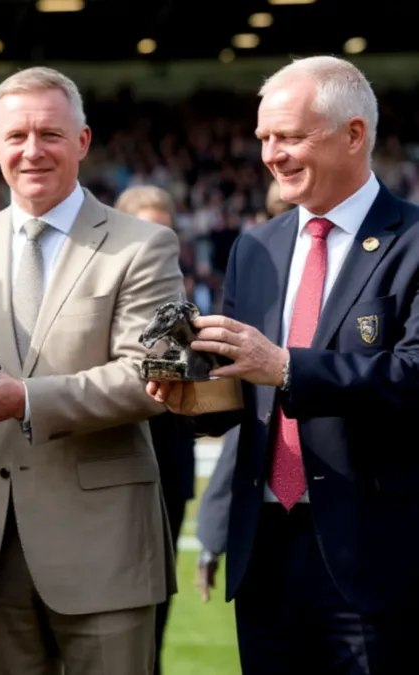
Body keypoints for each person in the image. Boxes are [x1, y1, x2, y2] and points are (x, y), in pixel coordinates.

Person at [0, 66, 183, 675]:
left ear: (82, 142)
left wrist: (27, 399)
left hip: (103, 548)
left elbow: (149, 377)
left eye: (51, 135)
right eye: (17, 136)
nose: (33, 151)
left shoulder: (142, 245)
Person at [148, 55, 419, 672]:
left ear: (355, 134)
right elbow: (245, 391)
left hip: (374, 557)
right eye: (265, 138)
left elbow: (413, 375)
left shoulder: (413, 241)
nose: (272, 154)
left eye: (291, 137)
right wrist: (189, 395)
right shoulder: (258, 247)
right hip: (263, 551)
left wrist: (289, 367)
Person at [194, 179, 295, 603]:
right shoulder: (252, 255)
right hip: (260, 522)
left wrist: (286, 368)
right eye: (275, 212)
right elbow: (240, 419)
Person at [113, 184, 196, 675]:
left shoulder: (189, 306)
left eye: (166, 234)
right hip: (105, 469)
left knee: (154, 621)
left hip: (169, 471)